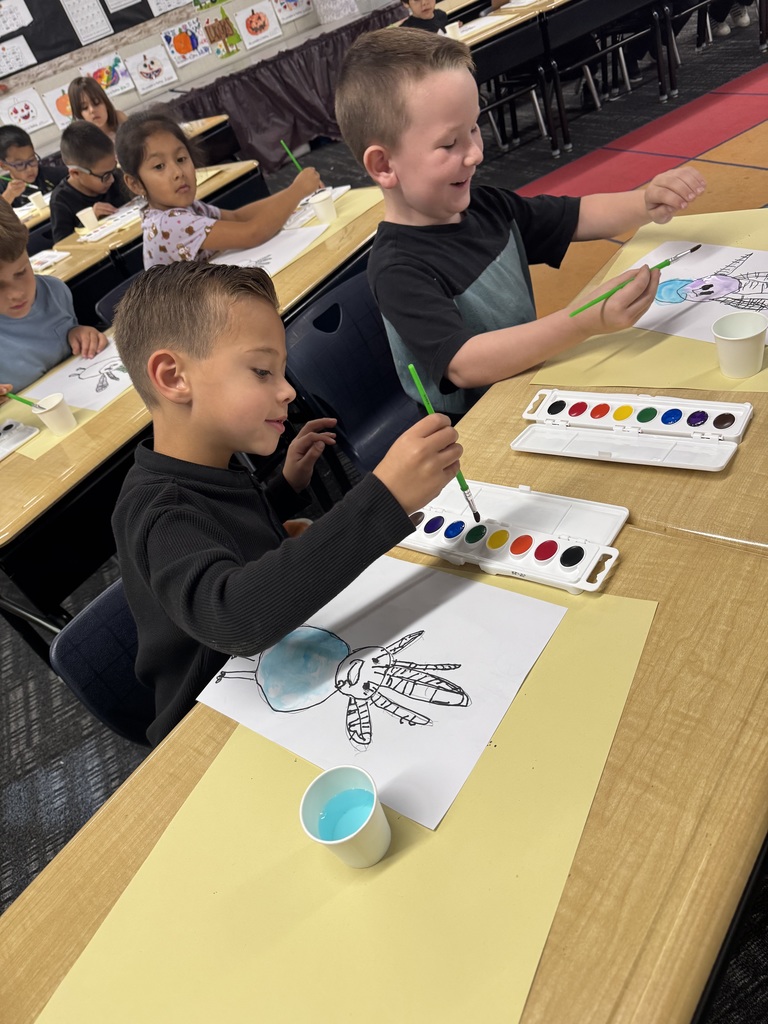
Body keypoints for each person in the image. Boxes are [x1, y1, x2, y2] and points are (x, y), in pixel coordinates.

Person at [111, 260, 462, 745]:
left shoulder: (211, 467)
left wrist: (283, 489)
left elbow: (220, 534)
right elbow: (235, 616)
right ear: (174, 377)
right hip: (210, 725)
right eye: (262, 371)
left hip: (281, 662)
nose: (288, 390)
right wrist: (385, 498)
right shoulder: (154, 511)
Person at [335, 29, 707, 419]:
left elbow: (574, 216)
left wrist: (644, 201)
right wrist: (580, 322)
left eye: (474, 128)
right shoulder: (398, 268)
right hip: (476, 428)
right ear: (383, 165)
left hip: (531, 385)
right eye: (449, 144)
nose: (475, 153)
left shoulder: (488, 206)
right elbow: (464, 363)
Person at [115, 111, 323, 268]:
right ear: (135, 183)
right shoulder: (167, 225)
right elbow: (252, 233)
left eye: (181, 159)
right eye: (159, 166)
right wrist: (297, 191)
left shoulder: (185, 209)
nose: (178, 172)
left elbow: (236, 216)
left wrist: (291, 194)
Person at [0, 201, 107, 397]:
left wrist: (78, 332)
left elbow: (64, 337)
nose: (16, 293)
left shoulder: (54, 291)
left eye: (21, 272)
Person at [49, 121, 130, 242]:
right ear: (76, 173)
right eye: (105, 176)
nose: (112, 179)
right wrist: (88, 222)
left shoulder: (115, 176)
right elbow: (63, 245)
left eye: (113, 169)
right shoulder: (61, 200)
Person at [0, 126, 65, 208]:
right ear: (4, 165)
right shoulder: (3, 187)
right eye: (20, 164)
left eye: (32, 160)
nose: (30, 169)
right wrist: (8, 197)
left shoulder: (51, 174)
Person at [67, 76, 128, 142]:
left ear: (105, 102)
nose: (92, 110)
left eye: (96, 103)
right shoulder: (81, 141)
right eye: (84, 107)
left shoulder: (119, 118)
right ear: (79, 113)